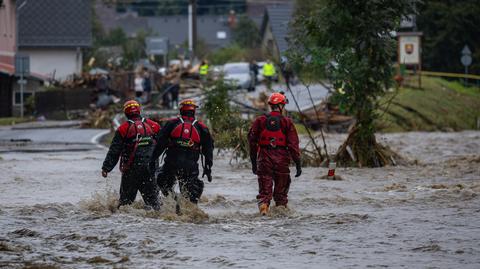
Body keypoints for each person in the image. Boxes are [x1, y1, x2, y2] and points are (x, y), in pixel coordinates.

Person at [151, 99, 214, 204]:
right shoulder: (202, 128)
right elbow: (208, 151)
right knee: (191, 196)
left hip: (171, 164)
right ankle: (188, 210)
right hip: (191, 166)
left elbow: (160, 144)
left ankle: (174, 202)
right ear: (194, 112)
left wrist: (152, 159)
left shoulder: (171, 123)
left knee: (163, 181)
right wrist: (208, 168)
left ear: (181, 110)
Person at [248, 92, 301, 215]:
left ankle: (264, 210)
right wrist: (298, 164)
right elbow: (293, 146)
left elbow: (252, 143)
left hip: (264, 159)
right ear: (282, 105)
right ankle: (280, 216)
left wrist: (254, 163)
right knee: (281, 196)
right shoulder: (287, 122)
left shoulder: (260, 121)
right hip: (282, 160)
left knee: (264, 194)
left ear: (271, 105)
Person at [101, 100, 161, 210]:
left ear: (125, 113)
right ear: (139, 111)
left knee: (125, 205)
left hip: (131, 171)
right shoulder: (154, 126)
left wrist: (106, 168)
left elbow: (114, 151)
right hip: (150, 170)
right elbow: (163, 145)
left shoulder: (123, 129)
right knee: (154, 205)